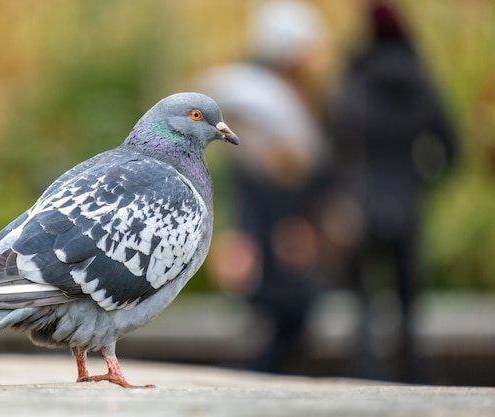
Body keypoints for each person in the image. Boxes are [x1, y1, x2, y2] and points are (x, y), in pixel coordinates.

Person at [195, 0, 343, 374]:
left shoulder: (290, 98)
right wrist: (246, 234)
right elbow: (256, 177)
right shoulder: (267, 100)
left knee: (290, 322)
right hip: (277, 232)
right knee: (287, 318)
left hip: (287, 231)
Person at [329, 0, 459, 382]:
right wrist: (422, 180)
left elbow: (337, 141)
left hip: (362, 203)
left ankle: (366, 376)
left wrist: (345, 187)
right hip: (407, 204)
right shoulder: (422, 81)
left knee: (363, 303)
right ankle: (415, 377)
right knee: (408, 302)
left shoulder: (357, 79)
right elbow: (451, 148)